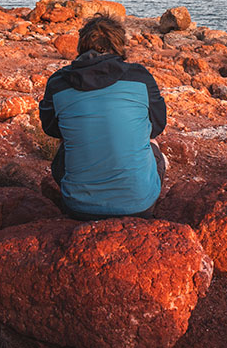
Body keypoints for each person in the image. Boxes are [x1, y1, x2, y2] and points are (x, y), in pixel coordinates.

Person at [39, 14, 167, 220]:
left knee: (68, 138)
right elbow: (157, 127)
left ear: (82, 44)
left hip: (78, 207)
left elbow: (51, 128)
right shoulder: (140, 77)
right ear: (119, 44)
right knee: (151, 140)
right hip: (139, 206)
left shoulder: (59, 82)